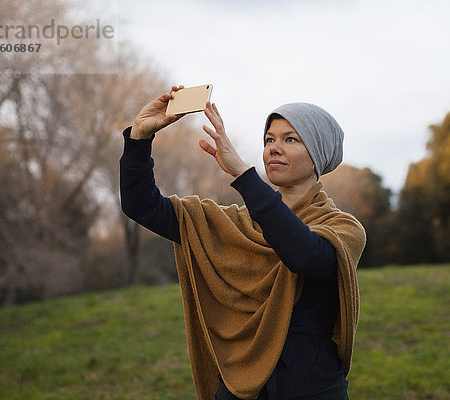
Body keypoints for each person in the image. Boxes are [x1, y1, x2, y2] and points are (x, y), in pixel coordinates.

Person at [120, 85, 366, 400]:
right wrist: (139, 137)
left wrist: (243, 174)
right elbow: (141, 206)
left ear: (318, 153)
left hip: (313, 389)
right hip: (240, 390)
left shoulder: (342, 228)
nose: (274, 148)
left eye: (290, 139)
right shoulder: (231, 225)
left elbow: (304, 255)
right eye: (269, 140)